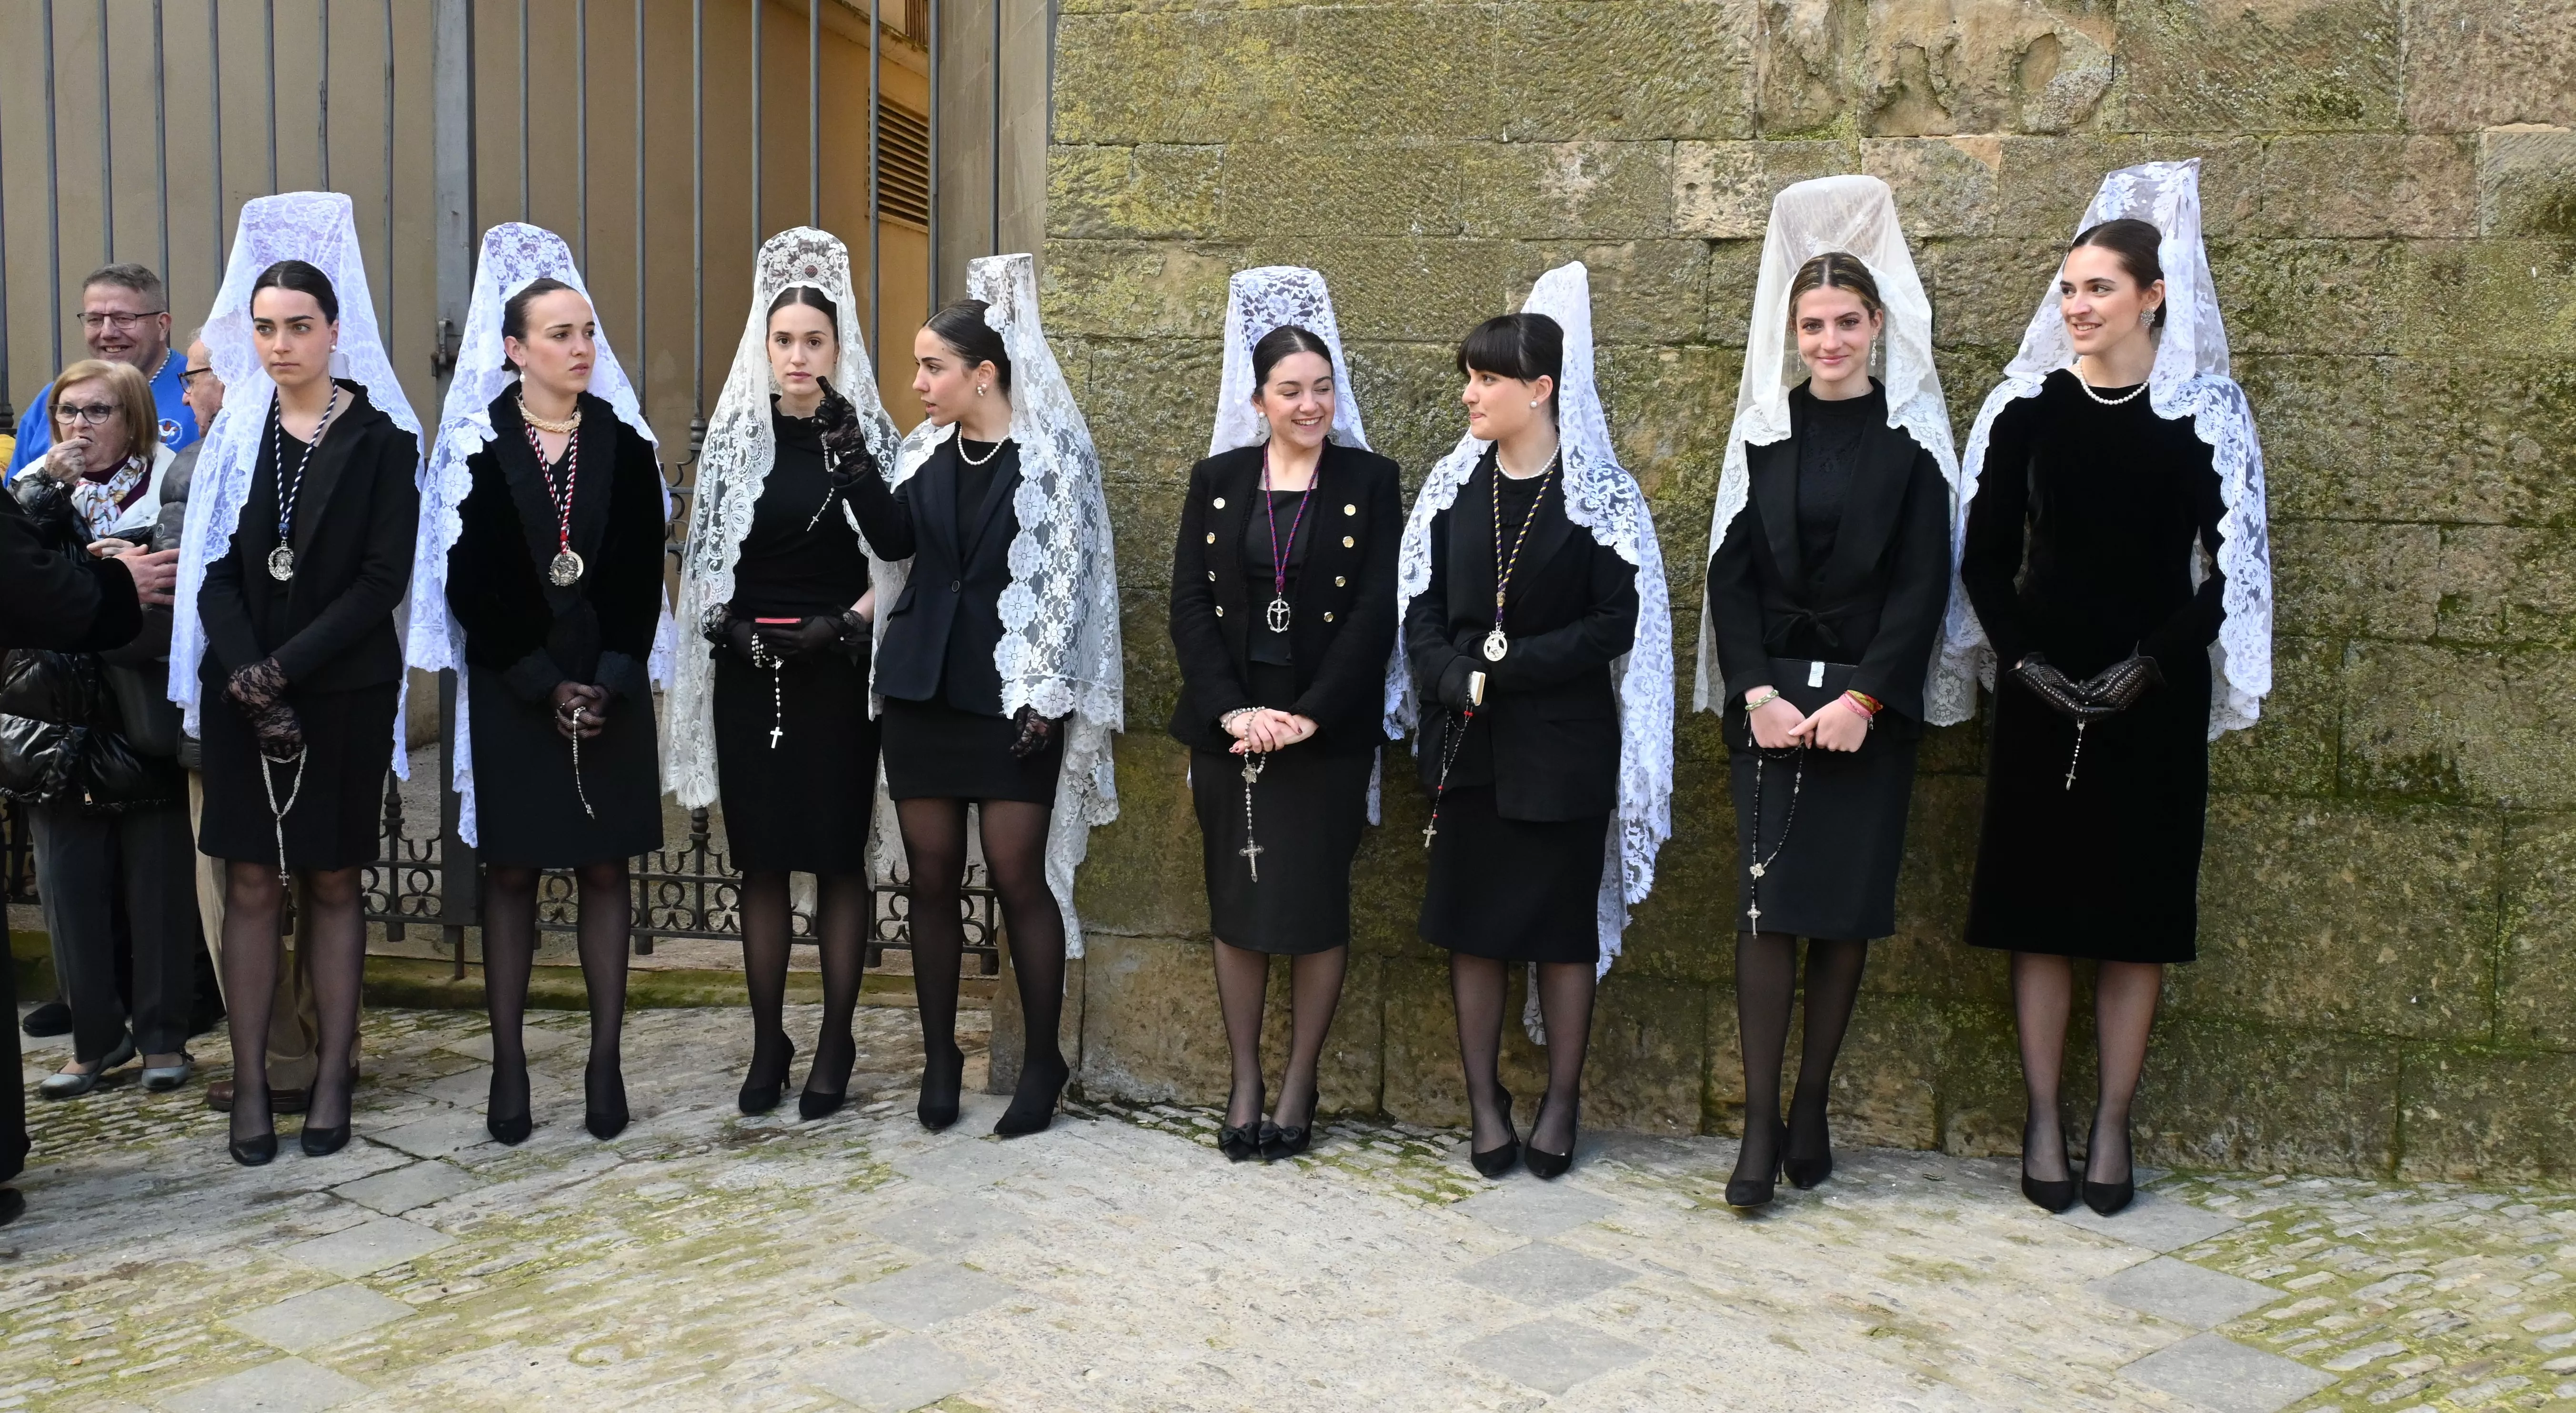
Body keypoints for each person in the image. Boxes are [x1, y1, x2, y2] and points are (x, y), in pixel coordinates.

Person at [1945, 160, 2272, 1217]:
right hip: (2040, 687)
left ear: (2152, 294)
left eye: (2097, 288)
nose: (2077, 307)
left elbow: (2233, 569)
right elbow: (1983, 558)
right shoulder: (2024, 407)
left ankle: (2111, 1122)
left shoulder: (2205, 415)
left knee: (2135, 918)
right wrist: (2026, 664)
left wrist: (2151, 664)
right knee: (2037, 913)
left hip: (2152, 692)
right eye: (2068, 290)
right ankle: (2042, 1116)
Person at [1695, 177, 1965, 1207]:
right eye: (1810, 324)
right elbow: (1730, 572)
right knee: (1766, 907)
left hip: (1865, 714)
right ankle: (1759, 1129)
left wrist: (1863, 703)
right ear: (1790, 332)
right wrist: (1756, 689)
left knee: (1842, 916)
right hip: (1768, 710)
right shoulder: (1762, 433)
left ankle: (1813, 1100)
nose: (1827, 340)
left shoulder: (1910, 446)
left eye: (1846, 322)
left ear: (1876, 325)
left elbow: (1920, 583)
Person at [1395, 263, 1672, 1181]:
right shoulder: (1451, 485)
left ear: (1540, 389)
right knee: (1471, 929)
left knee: (1559, 933)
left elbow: (1613, 622)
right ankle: (1483, 1103)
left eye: (1487, 380)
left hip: (1560, 750)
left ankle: (1561, 1099)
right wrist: (1449, 679)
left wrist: (1503, 667)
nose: (1470, 394)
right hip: (1465, 748)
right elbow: (1420, 613)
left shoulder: (1599, 494)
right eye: (1467, 378)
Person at [846, 253, 1123, 1138]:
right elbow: (893, 546)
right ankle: (940, 1058)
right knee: (929, 878)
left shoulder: (1049, 458)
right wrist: (856, 467)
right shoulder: (922, 449)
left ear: (983, 374)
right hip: (922, 688)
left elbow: (1071, 582)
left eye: (933, 366)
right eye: (919, 365)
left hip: (1014, 697)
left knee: (1017, 876)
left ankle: (1043, 1059)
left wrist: (1044, 694)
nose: (917, 381)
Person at [174, 192, 423, 1166]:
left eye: (298, 329)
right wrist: (247, 672)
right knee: (247, 882)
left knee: (329, 878)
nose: (280, 346)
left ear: (333, 332)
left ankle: (328, 1076)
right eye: (265, 329)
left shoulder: (383, 443)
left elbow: (379, 582)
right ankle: (248, 1081)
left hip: (340, 685)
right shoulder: (240, 432)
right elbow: (218, 572)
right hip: (246, 689)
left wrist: (286, 668)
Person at [418, 225, 671, 1144]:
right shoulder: (477, 445)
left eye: (588, 333)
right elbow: (468, 579)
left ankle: (605, 1063)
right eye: (560, 334)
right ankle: (510, 1065)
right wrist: (538, 681)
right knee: (512, 870)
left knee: (606, 868)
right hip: (514, 685)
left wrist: (603, 681)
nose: (581, 348)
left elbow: (639, 574)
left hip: (606, 682)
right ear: (515, 348)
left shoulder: (623, 441)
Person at [1167, 268, 1399, 1162]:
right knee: (1237, 904)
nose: (1309, 405)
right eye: (1290, 391)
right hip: (1230, 729)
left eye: (1321, 388)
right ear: (1258, 398)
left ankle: (1299, 1081)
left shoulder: (1368, 480)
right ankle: (1244, 1081)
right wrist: (1231, 713)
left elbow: (1376, 609)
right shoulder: (1218, 479)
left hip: (1322, 732)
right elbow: (1188, 602)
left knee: (1312, 906)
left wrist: (1307, 716)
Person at [667, 228, 896, 1122]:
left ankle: (835, 1039)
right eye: (784, 341)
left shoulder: (864, 433)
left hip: (835, 668)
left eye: (814, 341)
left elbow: (896, 559)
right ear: (764, 348)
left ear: (838, 351)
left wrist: (844, 625)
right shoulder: (730, 440)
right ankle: (770, 1037)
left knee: (839, 862)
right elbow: (704, 568)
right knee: (759, 863)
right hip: (749, 672)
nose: (799, 357)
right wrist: (727, 626)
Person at [0, 357, 198, 1105]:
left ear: (136, 419)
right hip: (52, 718)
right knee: (67, 889)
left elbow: (178, 587)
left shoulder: (171, 481)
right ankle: (92, 1040)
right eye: (67, 413)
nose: (79, 427)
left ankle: (162, 1036)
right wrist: (46, 489)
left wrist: (120, 566)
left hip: (134, 712)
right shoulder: (31, 491)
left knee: (156, 885)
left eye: (97, 412)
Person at [177, 336, 327, 1119]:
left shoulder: (216, 460)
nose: (189, 388)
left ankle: (282, 1059)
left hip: (250, 702)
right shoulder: (222, 453)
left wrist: (260, 678)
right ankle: (314, 1050)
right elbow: (214, 579)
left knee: (247, 894)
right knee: (288, 888)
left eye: (197, 372)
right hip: (251, 692)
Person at [9, 263, 200, 479]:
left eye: (124, 319)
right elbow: (13, 502)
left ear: (162, 325)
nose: (108, 332)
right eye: (95, 320)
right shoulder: (57, 396)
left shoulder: (199, 387)